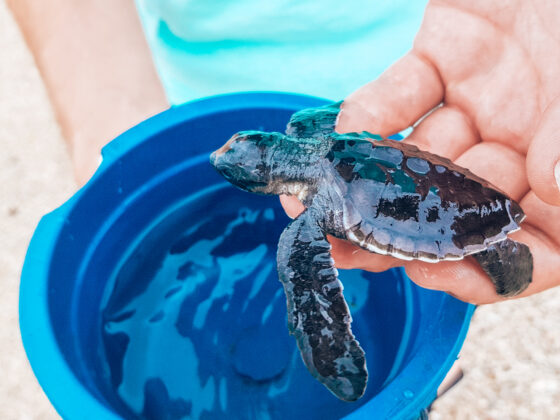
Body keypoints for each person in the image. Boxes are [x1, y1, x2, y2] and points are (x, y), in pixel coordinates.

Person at [8, 0, 560, 305]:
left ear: (271, 173)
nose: (225, 152)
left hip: (454, 73)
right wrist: (103, 127)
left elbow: (356, 117)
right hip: (414, 136)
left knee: (318, 274)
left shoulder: (308, 217)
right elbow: (347, 121)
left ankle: (497, 252)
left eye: (238, 154)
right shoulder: (311, 130)